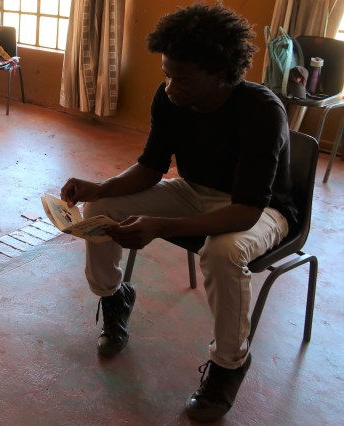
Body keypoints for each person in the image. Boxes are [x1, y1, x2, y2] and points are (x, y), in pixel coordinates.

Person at [59, 4, 296, 422]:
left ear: (222, 74)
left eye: (182, 79)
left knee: (222, 253)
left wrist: (161, 226)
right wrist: (100, 188)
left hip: (261, 209)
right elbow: (151, 168)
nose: (170, 87)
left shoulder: (261, 110)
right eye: (166, 73)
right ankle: (115, 298)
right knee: (100, 207)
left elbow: (244, 212)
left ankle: (228, 364)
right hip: (192, 191)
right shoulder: (170, 98)